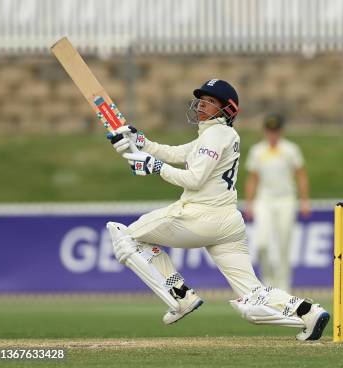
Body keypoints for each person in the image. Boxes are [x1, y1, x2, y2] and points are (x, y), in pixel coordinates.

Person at [105, 78, 329, 341]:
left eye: (210, 101)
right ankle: (309, 312)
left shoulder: (216, 135)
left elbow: (194, 180)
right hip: (228, 223)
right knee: (252, 296)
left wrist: (154, 167)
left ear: (227, 109)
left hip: (200, 216)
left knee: (126, 237)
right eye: (201, 100)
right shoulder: (216, 135)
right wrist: (140, 141)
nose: (202, 105)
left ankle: (180, 296)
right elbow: (177, 153)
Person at [244, 113, 311, 291]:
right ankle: (268, 282)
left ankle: (284, 285)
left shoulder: (290, 149)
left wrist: (305, 200)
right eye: (269, 131)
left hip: (286, 200)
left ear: (280, 131)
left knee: (284, 242)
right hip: (264, 200)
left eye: (275, 131)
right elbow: (252, 178)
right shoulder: (257, 151)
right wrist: (249, 203)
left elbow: (301, 175)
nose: (272, 134)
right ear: (265, 131)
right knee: (262, 243)